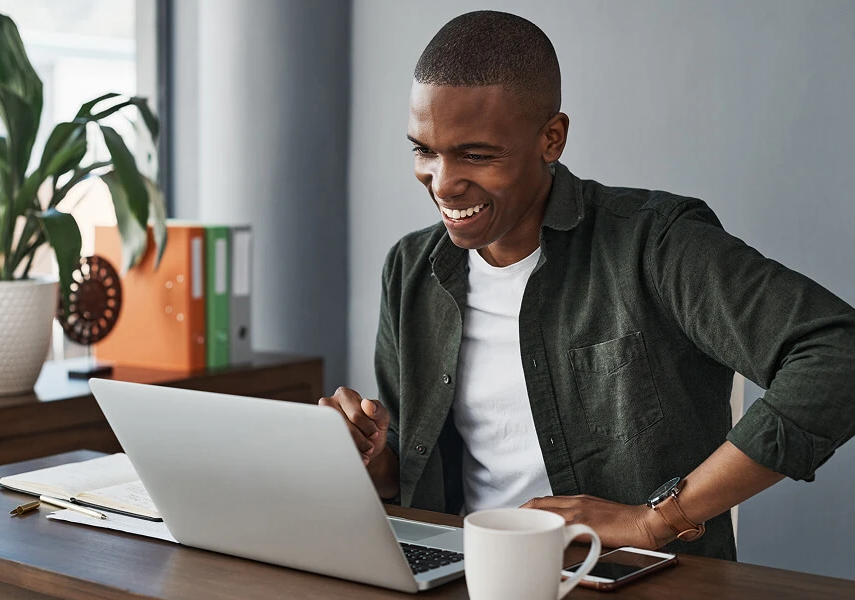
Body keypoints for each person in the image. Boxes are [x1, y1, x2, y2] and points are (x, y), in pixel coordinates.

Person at [318, 10, 855, 560]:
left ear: (552, 139)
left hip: (631, 576)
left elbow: (839, 354)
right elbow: (411, 478)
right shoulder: (411, 269)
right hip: (468, 570)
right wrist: (371, 455)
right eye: (424, 150)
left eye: (476, 154)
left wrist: (656, 519)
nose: (444, 182)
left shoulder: (654, 243)